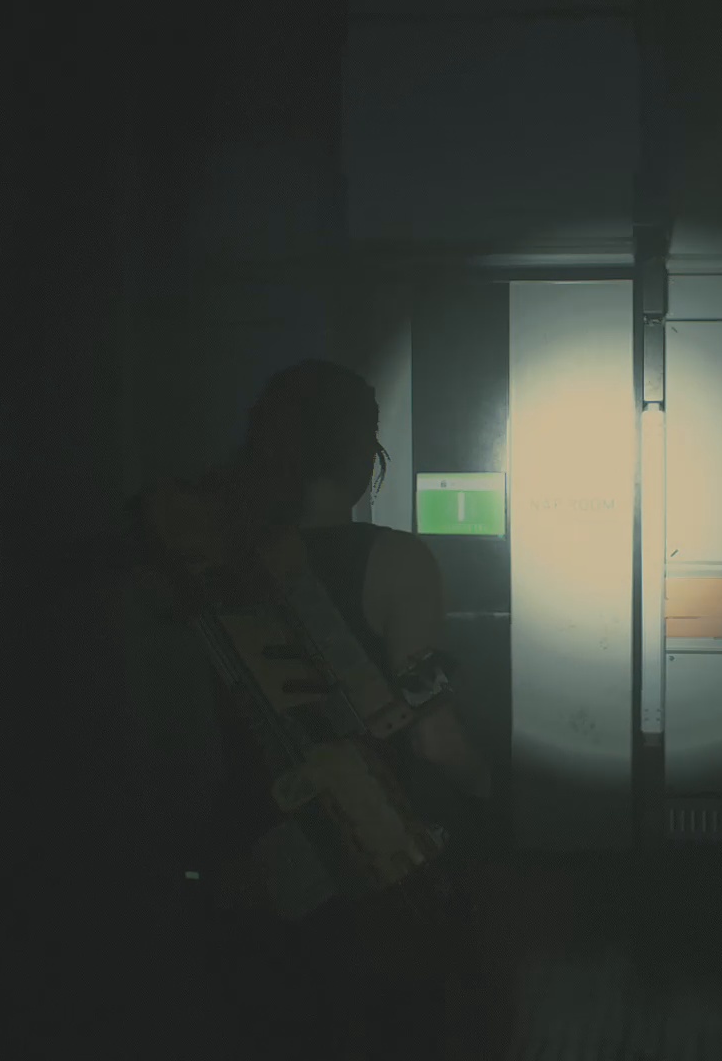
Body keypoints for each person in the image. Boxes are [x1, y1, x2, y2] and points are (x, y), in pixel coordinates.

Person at [117, 359, 501, 1059]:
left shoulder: (206, 563)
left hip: (249, 857)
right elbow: (434, 740)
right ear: (360, 454)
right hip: (372, 861)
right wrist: (487, 788)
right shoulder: (397, 562)